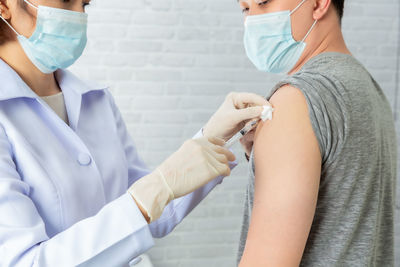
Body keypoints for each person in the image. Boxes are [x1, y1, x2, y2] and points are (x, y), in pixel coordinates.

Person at [0, 0, 272, 266]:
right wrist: (151, 193)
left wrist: (213, 138)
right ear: (4, 6)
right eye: (66, 0)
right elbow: (24, 261)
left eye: (85, 5)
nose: (78, 16)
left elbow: (154, 213)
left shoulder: (96, 100)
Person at [236, 0, 397, 266]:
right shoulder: (370, 90)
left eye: (263, 2)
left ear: (319, 3)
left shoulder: (295, 101)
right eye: (245, 8)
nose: (252, 19)